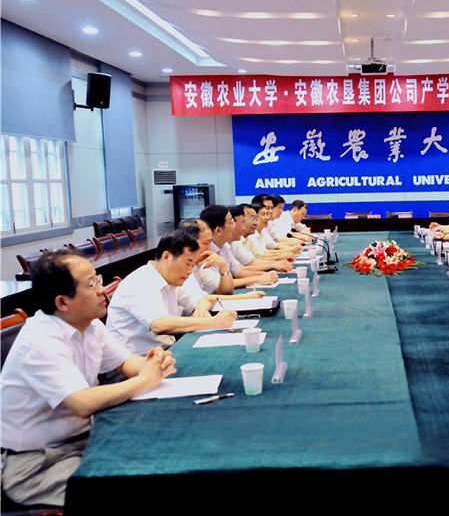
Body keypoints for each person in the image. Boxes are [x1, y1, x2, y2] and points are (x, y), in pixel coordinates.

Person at [1, 250, 177, 506]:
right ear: (62, 302)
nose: (102, 291)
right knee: (138, 485)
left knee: (161, 453)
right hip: (35, 463)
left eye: (98, 280)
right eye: (91, 284)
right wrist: (145, 380)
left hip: (82, 441)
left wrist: (154, 363)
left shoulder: (89, 325)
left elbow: (127, 363)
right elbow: (82, 403)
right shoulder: (40, 340)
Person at [106, 232, 238, 354]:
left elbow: (203, 299)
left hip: (166, 351)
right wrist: (213, 322)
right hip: (138, 361)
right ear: (166, 257)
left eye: (193, 266)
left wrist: (200, 309)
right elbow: (159, 324)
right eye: (188, 264)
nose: (190, 271)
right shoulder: (140, 282)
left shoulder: (171, 279)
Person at [199, 205, 279, 288]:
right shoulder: (206, 251)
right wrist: (256, 279)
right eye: (231, 222)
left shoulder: (225, 246)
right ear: (219, 230)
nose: (234, 226)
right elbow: (218, 285)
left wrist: (264, 275)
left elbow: (237, 272)